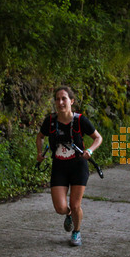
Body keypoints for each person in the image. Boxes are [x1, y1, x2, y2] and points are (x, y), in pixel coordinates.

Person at [36, 86, 103, 246]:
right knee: (60, 207)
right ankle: (69, 215)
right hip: (59, 166)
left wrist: (90, 151)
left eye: (64, 98)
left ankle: (76, 232)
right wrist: (39, 153)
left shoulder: (80, 120)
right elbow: (40, 137)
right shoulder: (50, 121)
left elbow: (98, 138)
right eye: (57, 99)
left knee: (75, 204)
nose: (60, 102)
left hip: (78, 166)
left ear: (71, 101)